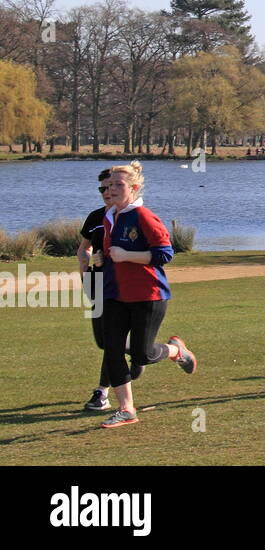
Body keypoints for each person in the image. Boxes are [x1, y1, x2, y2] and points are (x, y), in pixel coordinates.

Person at [95, 162, 196, 429]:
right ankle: (126, 409)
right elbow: (111, 254)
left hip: (147, 296)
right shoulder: (109, 217)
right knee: (112, 350)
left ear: (134, 188)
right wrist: (101, 258)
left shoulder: (144, 217)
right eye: (109, 184)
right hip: (115, 295)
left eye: (119, 185)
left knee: (141, 355)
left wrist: (128, 255)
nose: (112, 189)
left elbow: (165, 254)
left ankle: (176, 351)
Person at [76, 168, 143, 412]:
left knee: (112, 343)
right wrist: (86, 271)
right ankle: (140, 352)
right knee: (103, 341)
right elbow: (84, 248)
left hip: (128, 287)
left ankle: (102, 393)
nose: (107, 192)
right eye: (103, 188)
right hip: (98, 284)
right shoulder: (95, 218)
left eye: (112, 187)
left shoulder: (133, 216)